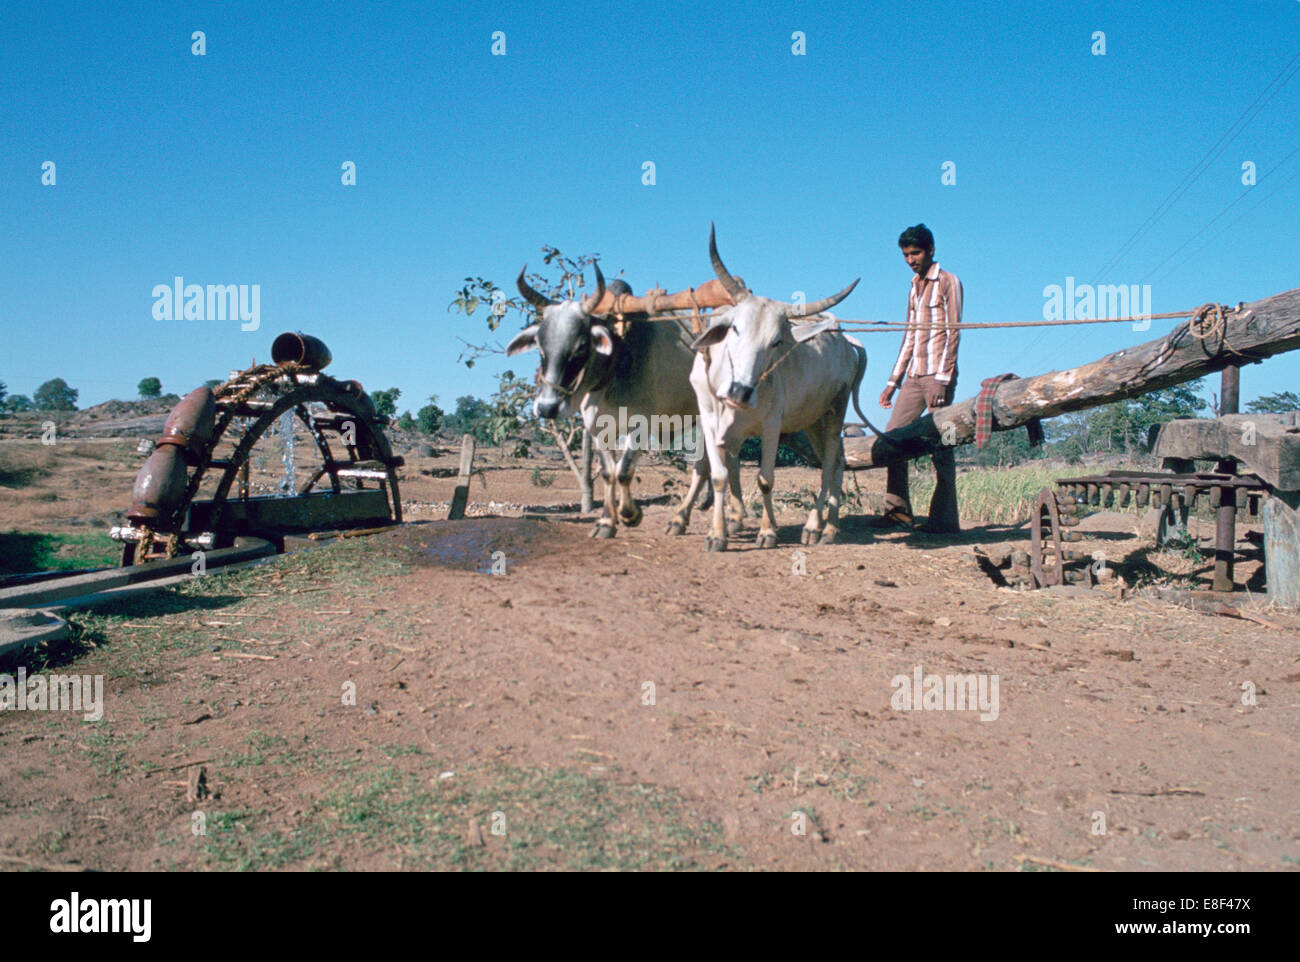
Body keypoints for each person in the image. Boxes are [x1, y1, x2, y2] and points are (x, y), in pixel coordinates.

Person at [878, 224, 962, 533]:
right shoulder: (913, 286)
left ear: (930, 251)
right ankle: (897, 511)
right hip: (914, 375)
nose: (911, 259)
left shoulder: (948, 282)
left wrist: (943, 378)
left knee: (942, 442)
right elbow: (910, 336)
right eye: (906, 255)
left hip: (939, 376)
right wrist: (893, 382)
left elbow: (954, 332)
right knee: (891, 437)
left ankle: (944, 520)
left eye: (916, 253)